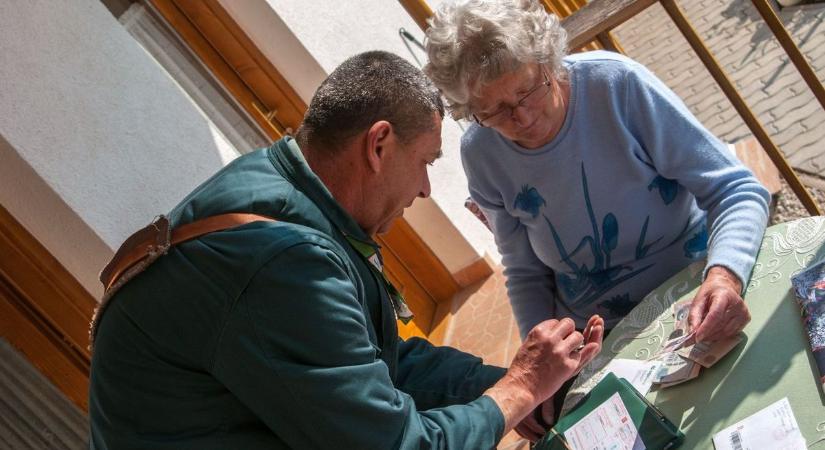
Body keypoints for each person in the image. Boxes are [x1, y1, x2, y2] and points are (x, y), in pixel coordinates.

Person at [88, 50, 604, 449]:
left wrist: (528, 390)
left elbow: (378, 360)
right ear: (378, 145)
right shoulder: (278, 260)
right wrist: (516, 392)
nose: (425, 189)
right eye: (426, 161)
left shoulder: (285, 192)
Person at [424, 1, 769, 345]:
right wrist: (543, 351)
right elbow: (525, 272)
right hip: (599, 334)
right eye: (496, 110)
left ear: (549, 62)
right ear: (470, 110)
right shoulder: (482, 155)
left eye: (528, 91)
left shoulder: (616, 85)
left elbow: (735, 189)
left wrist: (724, 275)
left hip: (696, 286)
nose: (523, 118)